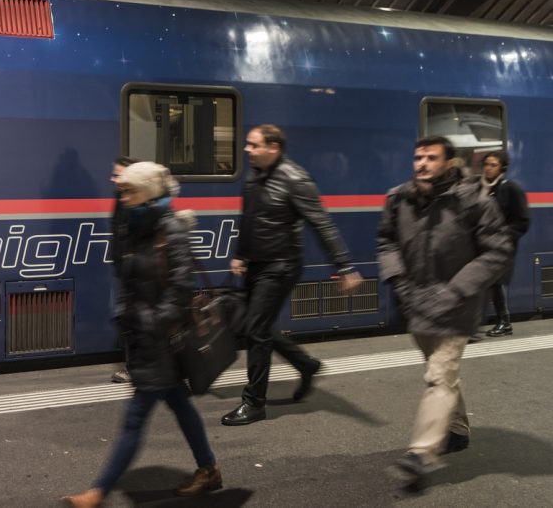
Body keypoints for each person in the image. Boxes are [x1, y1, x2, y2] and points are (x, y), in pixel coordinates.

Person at [62, 162, 221, 507]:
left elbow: (180, 292)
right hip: (142, 337)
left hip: (159, 340)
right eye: (123, 191)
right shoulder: (135, 228)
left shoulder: (170, 231)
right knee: (180, 404)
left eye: (130, 191)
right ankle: (208, 469)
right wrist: (125, 315)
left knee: (135, 419)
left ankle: (97, 492)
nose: (123, 196)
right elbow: (126, 274)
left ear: (148, 192)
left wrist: (150, 323)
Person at [377, 136, 511, 487]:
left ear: (449, 163)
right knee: (442, 373)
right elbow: (386, 240)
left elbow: (498, 250)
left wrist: (458, 289)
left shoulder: (473, 201)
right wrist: (398, 279)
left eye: (431, 158)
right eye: (418, 157)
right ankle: (458, 428)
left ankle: (422, 453)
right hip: (417, 302)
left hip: (457, 304)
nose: (422, 163)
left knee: (439, 374)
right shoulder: (400, 199)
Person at [221, 125, 363, 426]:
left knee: (255, 331)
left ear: (273, 147)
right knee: (255, 326)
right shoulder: (255, 174)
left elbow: (322, 225)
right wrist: (241, 254)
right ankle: (306, 364)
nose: (247, 150)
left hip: (280, 266)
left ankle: (254, 403)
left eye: (253, 145)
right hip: (257, 264)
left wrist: (345, 266)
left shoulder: (296, 179)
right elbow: (248, 219)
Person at [478, 151, 530, 337]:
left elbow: (523, 221)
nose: (488, 168)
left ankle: (504, 322)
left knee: (496, 282)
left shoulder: (511, 188)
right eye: (486, 164)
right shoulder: (482, 188)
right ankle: (477, 324)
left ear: (502, 167)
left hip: (502, 245)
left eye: (493, 165)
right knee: (485, 282)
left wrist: (505, 236)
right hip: (483, 244)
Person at [109, 155, 137, 384]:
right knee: (123, 316)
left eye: (118, 174)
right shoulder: (122, 198)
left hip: (135, 273)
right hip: (124, 270)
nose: (113, 179)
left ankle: (135, 367)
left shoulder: (139, 203)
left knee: (129, 317)